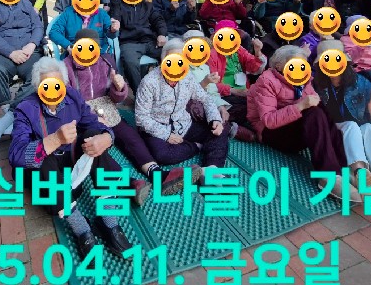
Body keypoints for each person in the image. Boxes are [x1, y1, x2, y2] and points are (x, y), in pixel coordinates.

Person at [8, 57, 133, 259]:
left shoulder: (72, 97)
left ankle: (108, 222)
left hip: (71, 168)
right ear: (37, 87)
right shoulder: (26, 109)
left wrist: (107, 137)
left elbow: (93, 123)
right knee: (43, 156)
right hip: (47, 182)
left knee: (94, 135)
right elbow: (15, 155)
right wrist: (54, 140)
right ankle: (82, 230)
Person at [62, 28, 199, 202]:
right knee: (94, 144)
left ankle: (157, 175)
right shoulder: (65, 68)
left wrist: (119, 88)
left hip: (107, 108)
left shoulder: (105, 62)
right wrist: (91, 117)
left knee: (130, 136)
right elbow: (66, 103)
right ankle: (128, 183)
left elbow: (116, 97)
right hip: (82, 115)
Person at [246, 45, 360, 202]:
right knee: (313, 112)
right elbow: (269, 121)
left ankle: (344, 167)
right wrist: (300, 106)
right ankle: (328, 175)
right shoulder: (266, 81)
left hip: (293, 126)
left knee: (324, 108)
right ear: (279, 66)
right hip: (270, 133)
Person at [312, 40, 371, 197]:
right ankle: (359, 172)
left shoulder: (361, 83)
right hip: (335, 131)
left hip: (355, 130)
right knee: (350, 125)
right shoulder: (316, 85)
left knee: (369, 128)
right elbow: (322, 118)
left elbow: (367, 120)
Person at [135, 39, 229, 173]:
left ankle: (211, 169)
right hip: (158, 128)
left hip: (184, 125)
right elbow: (141, 118)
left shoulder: (187, 76)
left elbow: (206, 98)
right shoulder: (149, 82)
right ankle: (196, 146)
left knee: (220, 129)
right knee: (161, 155)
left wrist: (215, 119)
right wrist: (167, 135)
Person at [204, 21, 266, 139]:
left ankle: (248, 126)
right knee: (249, 106)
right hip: (224, 95)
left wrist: (258, 52)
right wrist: (234, 91)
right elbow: (210, 84)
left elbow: (254, 68)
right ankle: (231, 126)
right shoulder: (211, 55)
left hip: (243, 92)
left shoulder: (239, 50)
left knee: (260, 101)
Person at [108, 0, 168, 93]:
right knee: (130, 62)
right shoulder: (119, 4)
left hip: (150, 41)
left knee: (171, 53)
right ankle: (141, 94)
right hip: (129, 42)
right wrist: (114, 24)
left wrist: (162, 34)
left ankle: (167, 91)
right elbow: (114, 17)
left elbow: (159, 20)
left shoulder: (148, 5)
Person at [48, 0, 117, 53]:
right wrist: (68, 46)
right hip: (74, 52)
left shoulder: (102, 14)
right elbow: (53, 32)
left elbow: (112, 35)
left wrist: (113, 30)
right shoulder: (68, 12)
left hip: (99, 52)